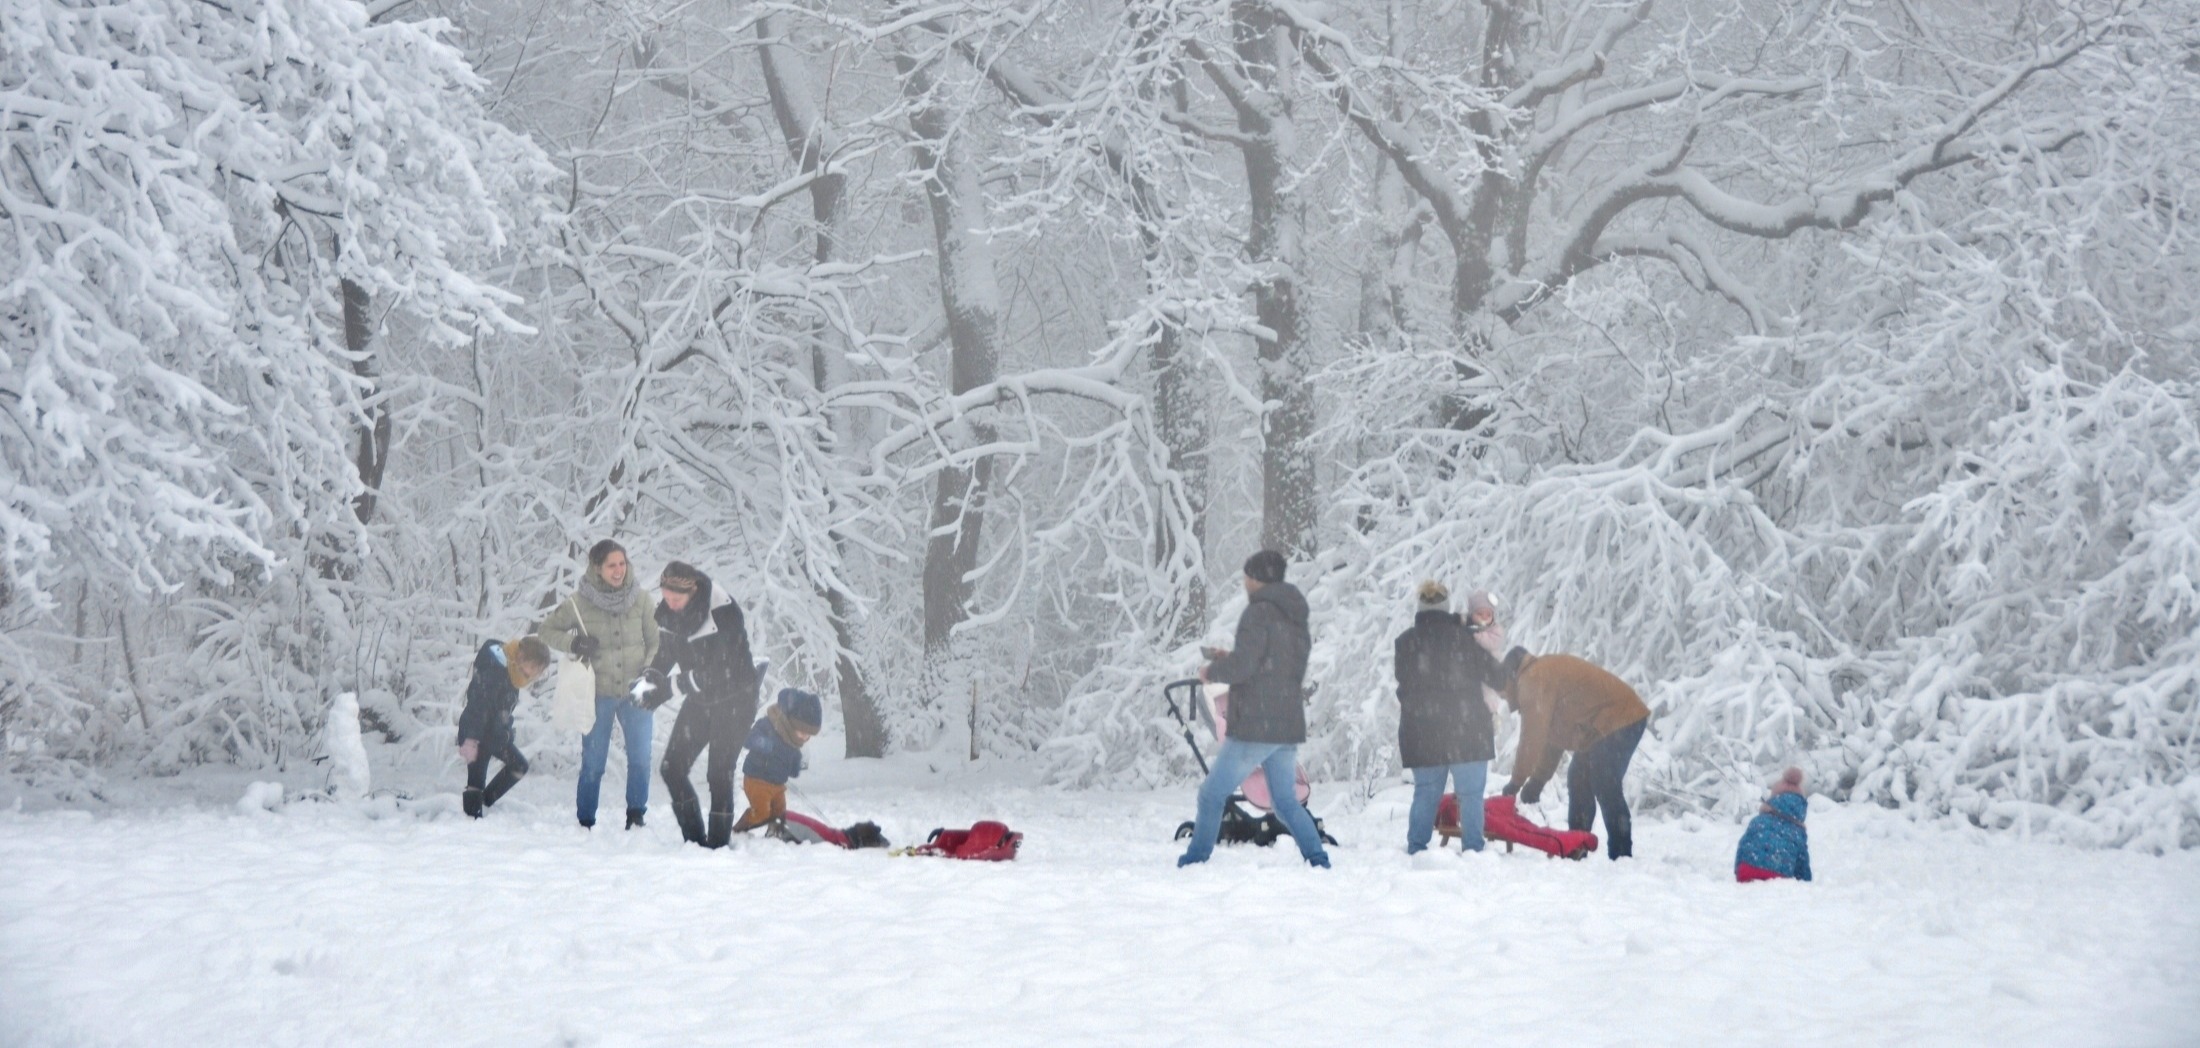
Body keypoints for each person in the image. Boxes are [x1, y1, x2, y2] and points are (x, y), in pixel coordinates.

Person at [1179, 550, 1331, 869]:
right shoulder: (1293, 615)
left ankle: (1195, 860)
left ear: (1257, 579)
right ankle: (1318, 859)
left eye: (1247, 576)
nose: (1245, 582)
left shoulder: (1258, 612)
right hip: (1286, 722)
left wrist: (1213, 672)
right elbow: (1271, 664)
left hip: (1257, 724)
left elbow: (1247, 666)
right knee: (1285, 802)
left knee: (1211, 794)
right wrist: (1230, 658)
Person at [539, 539, 662, 829]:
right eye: (611, 565)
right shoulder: (579, 603)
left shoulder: (642, 599)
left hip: (638, 691)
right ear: (597, 568)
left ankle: (636, 814)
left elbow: (657, 641)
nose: (618, 570)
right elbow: (546, 631)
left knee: (641, 758)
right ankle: (585, 820)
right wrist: (574, 642)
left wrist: (650, 669)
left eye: (622, 563)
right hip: (597, 694)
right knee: (594, 762)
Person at [651, 561, 762, 848]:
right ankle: (693, 842)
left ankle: (717, 846)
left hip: (736, 697)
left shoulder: (724, 612)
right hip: (701, 699)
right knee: (671, 768)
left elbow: (719, 672)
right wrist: (649, 680)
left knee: (718, 773)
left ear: (694, 590)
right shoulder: (669, 613)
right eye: (666, 597)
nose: (670, 604)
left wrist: (670, 687)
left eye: (676, 599)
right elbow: (665, 654)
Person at [1498, 651, 1650, 860]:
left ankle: (1622, 855)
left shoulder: (1533, 678)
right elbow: (1552, 742)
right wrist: (1537, 782)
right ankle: (1576, 848)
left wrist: (1515, 783)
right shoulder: (1540, 676)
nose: (1505, 699)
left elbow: (1531, 738)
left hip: (1620, 717)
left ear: (1510, 676)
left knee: (1604, 782)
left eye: (1503, 693)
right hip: (1602, 725)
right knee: (1578, 778)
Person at [1394, 581, 1502, 853]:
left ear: (1420, 606)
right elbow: (1496, 676)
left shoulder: (1405, 642)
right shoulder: (1466, 638)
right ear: (1447, 605)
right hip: (1468, 729)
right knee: (1471, 796)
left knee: (1426, 793)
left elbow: (1403, 687)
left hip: (1422, 732)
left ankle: (1416, 850)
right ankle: (1473, 850)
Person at [455, 636, 553, 818]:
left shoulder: (513, 674)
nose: (532, 675)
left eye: (537, 672)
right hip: (478, 737)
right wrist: (470, 739)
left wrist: (506, 732)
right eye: (533, 668)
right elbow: (478, 706)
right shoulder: (494, 670)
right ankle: (470, 823)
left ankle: (485, 803)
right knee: (476, 784)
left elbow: (502, 710)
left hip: (494, 736)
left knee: (519, 766)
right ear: (521, 656)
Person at [731, 688, 823, 834]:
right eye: (803, 732)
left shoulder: (793, 741)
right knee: (761, 812)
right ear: (792, 722)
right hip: (757, 779)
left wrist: (794, 767)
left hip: (778, 784)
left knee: (779, 813)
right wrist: (764, 744)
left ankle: (775, 834)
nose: (805, 738)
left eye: (809, 736)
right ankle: (739, 829)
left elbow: (792, 765)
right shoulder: (769, 725)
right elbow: (748, 739)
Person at [1735, 767, 1812, 882]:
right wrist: (1806, 882)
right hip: (1778, 874)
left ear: (1774, 798)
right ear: (1800, 805)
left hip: (1747, 870)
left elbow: (1744, 845)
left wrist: (1739, 869)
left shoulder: (1758, 821)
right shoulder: (1797, 830)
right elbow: (1802, 863)